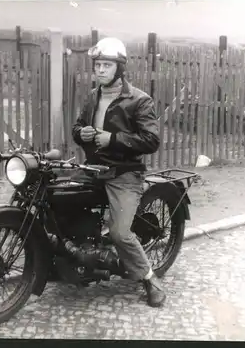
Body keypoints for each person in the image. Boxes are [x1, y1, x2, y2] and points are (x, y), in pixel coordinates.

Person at [72, 37, 166, 307]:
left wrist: (112, 140)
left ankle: (149, 279)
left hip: (124, 174)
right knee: (58, 199)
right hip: (93, 169)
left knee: (120, 233)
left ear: (119, 68)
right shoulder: (93, 97)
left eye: (106, 65)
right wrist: (83, 133)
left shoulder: (138, 100)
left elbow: (151, 140)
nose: (100, 70)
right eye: (97, 65)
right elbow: (77, 128)